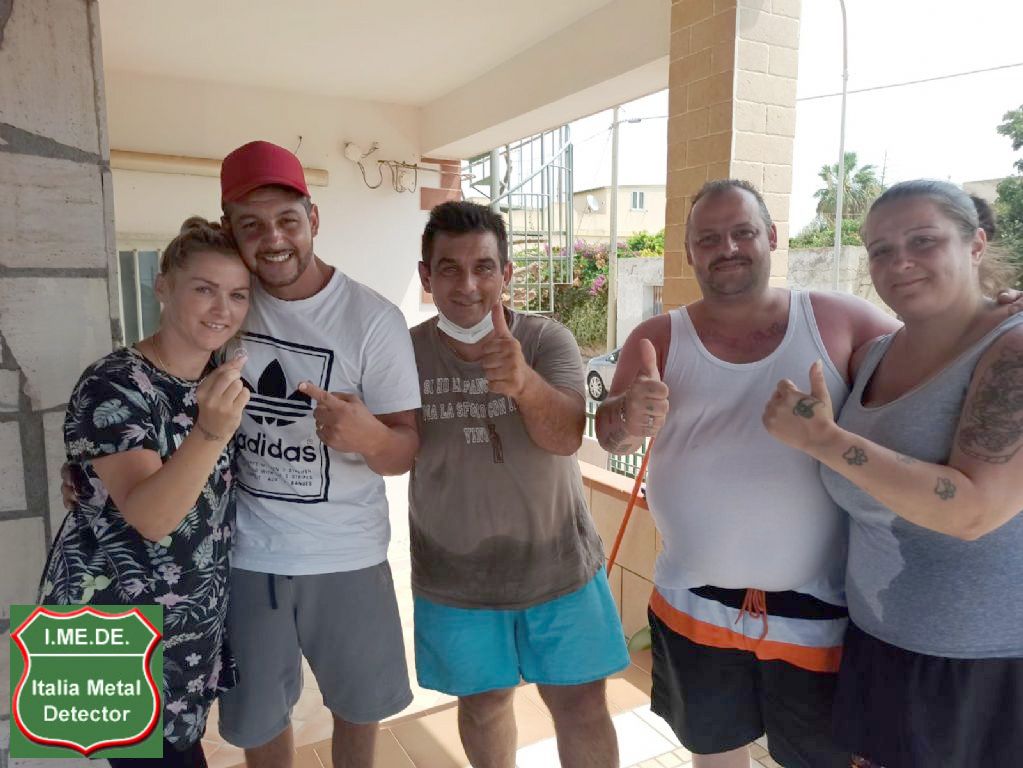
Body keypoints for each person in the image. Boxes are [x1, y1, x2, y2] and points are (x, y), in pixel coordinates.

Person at [596, 179, 902, 768]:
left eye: (743, 232)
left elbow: (935, 352)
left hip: (820, 606)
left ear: (772, 237)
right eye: (709, 238)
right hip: (693, 600)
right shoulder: (656, 338)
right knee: (713, 754)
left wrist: (988, 312)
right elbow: (615, 440)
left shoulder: (838, 319)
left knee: (822, 760)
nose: (727, 248)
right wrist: (626, 416)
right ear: (689, 251)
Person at [763, 180, 1023, 767]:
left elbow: (973, 511)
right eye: (880, 249)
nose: (899, 261)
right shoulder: (877, 354)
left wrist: (825, 441)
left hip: (979, 667)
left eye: (923, 240)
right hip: (880, 645)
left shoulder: (1011, 349)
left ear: (976, 244)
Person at [208, 141, 421, 768]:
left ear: (314, 219)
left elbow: (404, 450)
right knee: (259, 721)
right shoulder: (224, 305)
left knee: (359, 706)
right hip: (248, 555)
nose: (273, 239)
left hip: (348, 554)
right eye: (252, 224)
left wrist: (369, 437)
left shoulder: (372, 318)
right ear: (229, 229)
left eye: (287, 220)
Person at [410, 201, 629, 768]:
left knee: (581, 704)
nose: (468, 285)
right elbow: (393, 448)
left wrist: (523, 382)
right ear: (426, 277)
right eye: (450, 269)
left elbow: (566, 437)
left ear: (506, 274)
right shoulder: (406, 352)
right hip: (454, 578)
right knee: (484, 705)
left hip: (560, 569)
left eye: (484, 267)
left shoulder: (545, 339)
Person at [43, 217, 252, 768]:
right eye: (204, 289)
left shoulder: (218, 380)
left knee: (177, 751)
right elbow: (153, 518)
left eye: (237, 294)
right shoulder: (112, 381)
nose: (222, 309)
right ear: (163, 287)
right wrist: (210, 433)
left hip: (185, 629)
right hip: (110, 627)